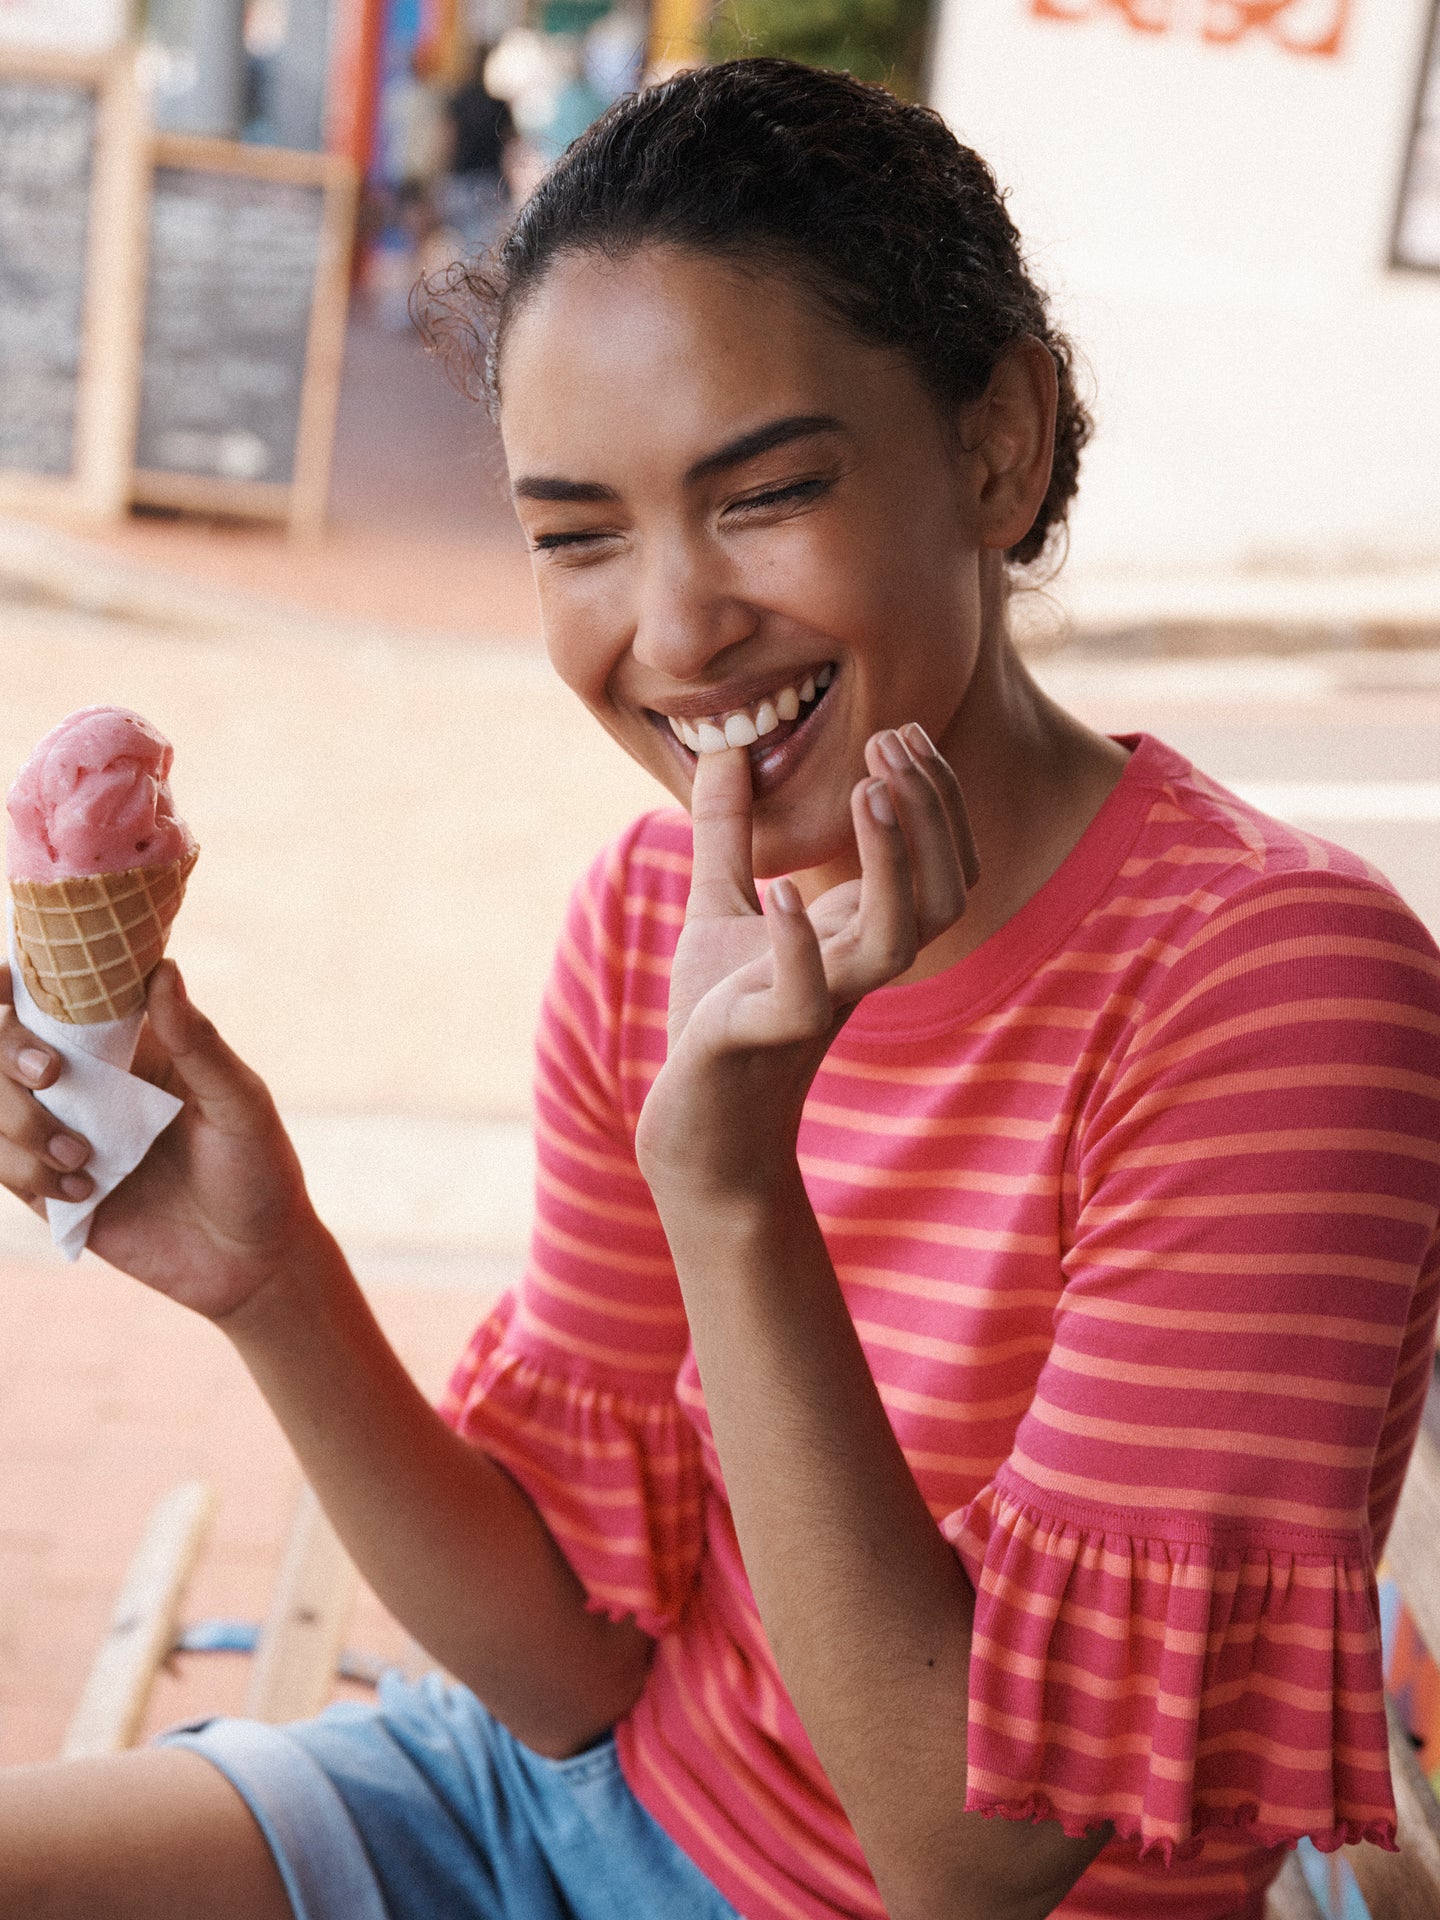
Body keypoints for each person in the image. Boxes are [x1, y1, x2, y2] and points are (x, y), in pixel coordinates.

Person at [2, 57, 1438, 1920]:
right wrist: (269, 1278)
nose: (673, 632)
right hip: (541, 1813)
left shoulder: (1273, 991)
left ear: (998, 443)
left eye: (763, 494)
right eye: (578, 533)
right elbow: (570, 1674)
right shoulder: (643, 918)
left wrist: (735, 1182)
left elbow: (964, 1850)